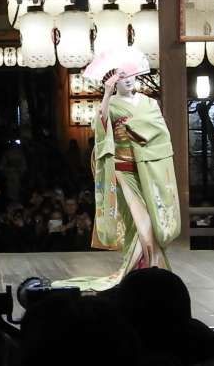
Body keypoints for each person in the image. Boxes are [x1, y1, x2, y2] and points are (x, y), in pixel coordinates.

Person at [54, 60, 181, 291]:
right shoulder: (110, 104)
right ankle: (149, 269)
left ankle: (141, 270)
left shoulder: (150, 103)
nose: (128, 79)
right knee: (138, 222)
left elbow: (161, 132)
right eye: (121, 77)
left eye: (131, 74)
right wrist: (107, 93)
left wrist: (139, 132)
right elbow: (101, 127)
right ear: (114, 82)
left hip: (147, 168)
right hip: (123, 171)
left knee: (150, 221)